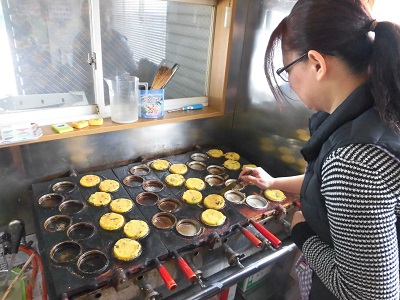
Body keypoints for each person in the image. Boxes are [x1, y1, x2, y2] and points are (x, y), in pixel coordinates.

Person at [239, 0, 400, 299]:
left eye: (287, 69)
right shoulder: (375, 109)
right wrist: (274, 183)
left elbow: (369, 294)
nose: (289, 82)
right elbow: (333, 186)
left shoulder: (356, 162)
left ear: (316, 63)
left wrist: (301, 232)